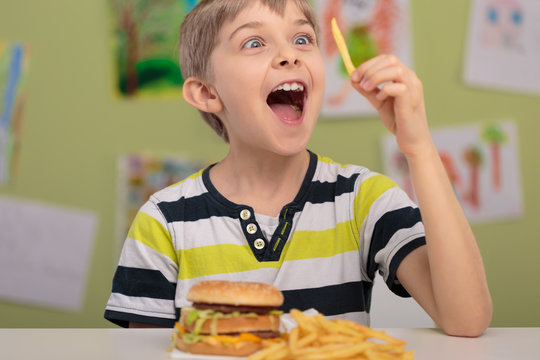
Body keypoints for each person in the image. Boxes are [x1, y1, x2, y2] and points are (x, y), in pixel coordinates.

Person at [105, 0, 492, 336]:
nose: (290, 55)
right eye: (254, 42)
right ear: (207, 93)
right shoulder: (163, 221)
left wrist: (419, 147)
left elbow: (468, 319)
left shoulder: (362, 200)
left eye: (303, 39)